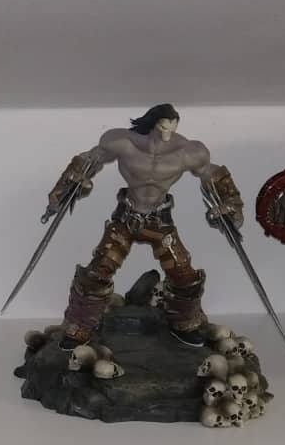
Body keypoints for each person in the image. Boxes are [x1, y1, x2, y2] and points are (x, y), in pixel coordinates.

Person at [44, 105, 244, 345]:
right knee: (98, 272)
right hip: (125, 218)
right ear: (152, 123)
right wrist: (66, 187)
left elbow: (211, 173)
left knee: (184, 275)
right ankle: (79, 326)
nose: (167, 133)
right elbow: (90, 159)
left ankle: (184, 323)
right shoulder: (122, 142)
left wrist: (231, 204)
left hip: (159, 220)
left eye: (172, 127)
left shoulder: (188, 151)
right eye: (162, 126)